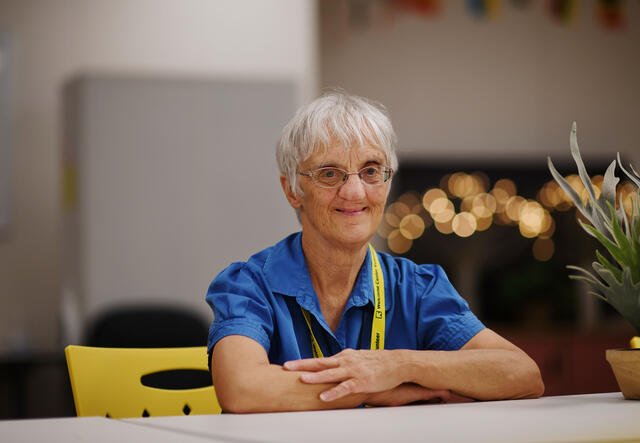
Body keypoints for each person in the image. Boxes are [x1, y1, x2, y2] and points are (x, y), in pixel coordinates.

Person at [205, 90, 544, 413]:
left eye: (370, 171)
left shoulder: (417, 287)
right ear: (293, 190)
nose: (354, 192)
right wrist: (369, 387)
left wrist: (398, 365)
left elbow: (522, 374)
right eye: (329, 173)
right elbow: (242, 388)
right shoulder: (248, 284)